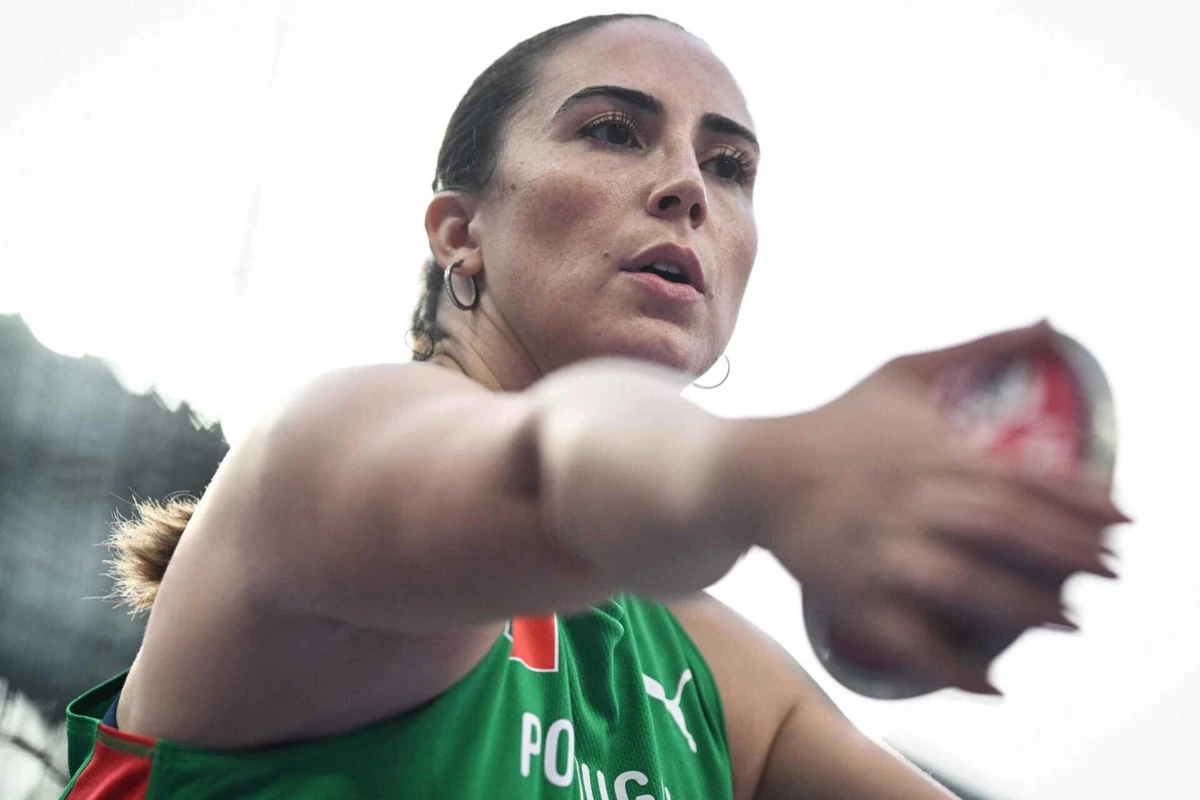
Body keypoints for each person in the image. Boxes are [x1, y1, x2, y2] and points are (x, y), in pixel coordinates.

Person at [58, 13, 1126, 799]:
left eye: (731, 164)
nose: (689, 188)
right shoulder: (324, 446)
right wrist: (767, 472)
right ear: (458, 233)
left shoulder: (717, 678)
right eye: (615, 131)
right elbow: (562, 464)